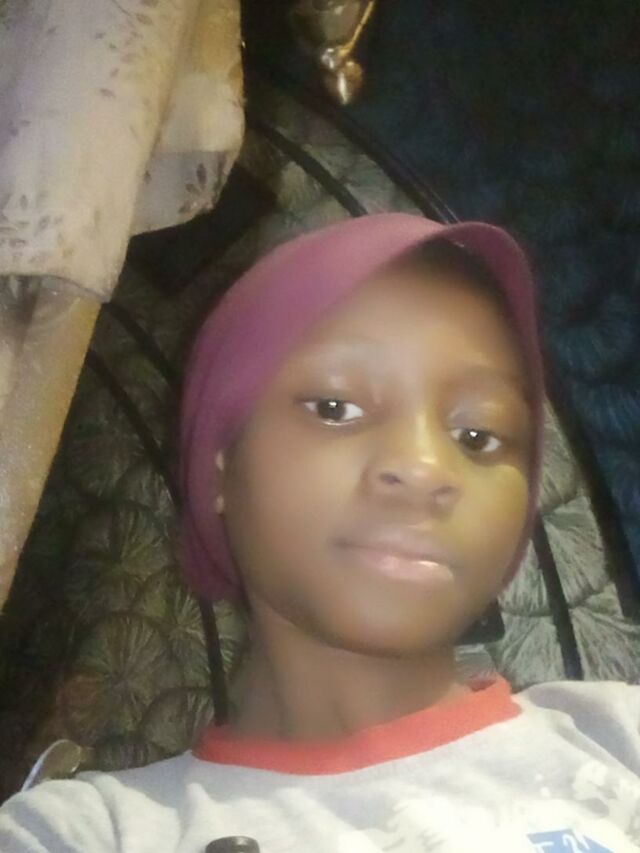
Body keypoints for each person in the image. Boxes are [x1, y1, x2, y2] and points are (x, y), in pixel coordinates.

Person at [1, 213, 639, 852]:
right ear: (220, 469)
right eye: (336, 408)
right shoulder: (85, 834)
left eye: (478, 435)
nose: (424, 468)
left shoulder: (617, 738)